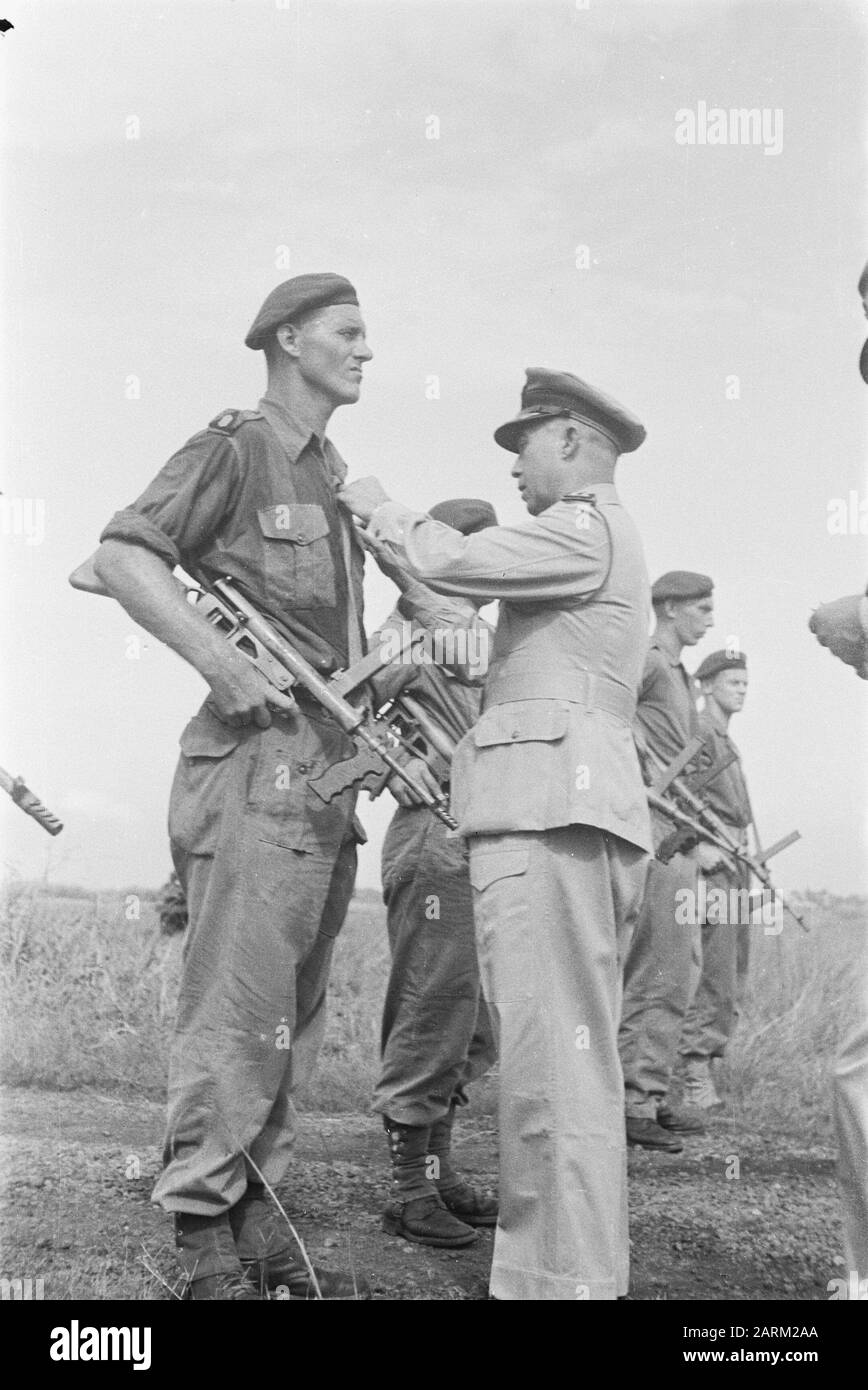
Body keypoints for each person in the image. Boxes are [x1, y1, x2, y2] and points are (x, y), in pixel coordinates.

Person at [86, 273, 374, 1300]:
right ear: (290, 340)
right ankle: (200, 1223)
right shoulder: (236, 448)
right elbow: (123, 555)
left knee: (286, 1016)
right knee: (235, 1005)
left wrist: (361, 759)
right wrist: (220, 662)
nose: (365, 350)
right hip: (253, 768)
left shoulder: (334, 476)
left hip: (325, 781)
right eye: (348, 332)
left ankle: (257, 1205)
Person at [339, 367, 652, 1301]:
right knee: (541, 1055)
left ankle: (557, 1283)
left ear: (569, 439)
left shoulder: (583, 529)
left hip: (542, 810)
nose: (516, 467)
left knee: (547, 1064)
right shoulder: (581, 553)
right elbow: (418, 673)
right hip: (526, 811)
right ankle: (557, 1268)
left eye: (523, 446)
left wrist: (376, 505)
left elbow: (451, 565)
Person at [367, 497, 499, 1249]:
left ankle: (439, 1170)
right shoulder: (408, 629)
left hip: (484, 837)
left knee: (474, 1018)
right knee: (431, 1005)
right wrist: (402, 758)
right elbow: (344, 708)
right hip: (435, 838)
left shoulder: (487, 637)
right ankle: (407, 1189)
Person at [618, 570, 715, 1153]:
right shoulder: (649, 660)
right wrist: (643, 767)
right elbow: (610, 709)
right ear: (672, 608)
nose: (708, 617)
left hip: (679, 830)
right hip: (654, 828)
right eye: (701, 608)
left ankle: (647, 1093)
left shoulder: (680, 675)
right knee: (656, 965)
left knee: (680, 967)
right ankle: (633, 1099)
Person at [678, 649, 754, 1109]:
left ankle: (700, 1065)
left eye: (745, 683)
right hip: (710, 862)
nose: (741, 691)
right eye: (732, 683)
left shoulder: (724, 736)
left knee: (732, 967)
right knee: (714, 969)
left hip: (734, 860)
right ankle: (693, 1072)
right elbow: (674, 787)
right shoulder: (701, 730)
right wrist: (694, 846)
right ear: (706, 686)